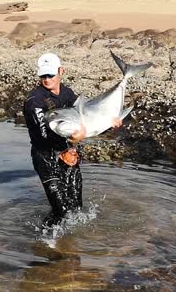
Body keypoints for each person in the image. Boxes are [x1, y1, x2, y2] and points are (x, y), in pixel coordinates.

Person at [23, 53, 122, 227]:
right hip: (46, 159)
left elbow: (85, 115)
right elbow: (43, 135)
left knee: (76, 208)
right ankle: (47, 242)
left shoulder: (67, 93)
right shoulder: (34, 102)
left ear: (61, 71)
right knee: (62, 212)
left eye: (50, 75)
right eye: (43, 76)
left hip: (69, 153)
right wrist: (69, 146)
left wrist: (109, 121)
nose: (46, 80)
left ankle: (69, 245)